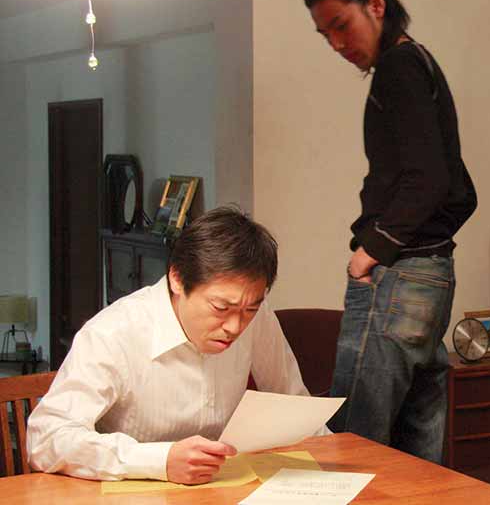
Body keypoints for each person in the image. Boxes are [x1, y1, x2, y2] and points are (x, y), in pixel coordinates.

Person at [304, 0, 477, 463]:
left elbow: (430, 179)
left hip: (399, 275)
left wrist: (371, 252)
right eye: (325, 35)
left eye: (342, 25)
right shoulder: (417, 60)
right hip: (432, 271)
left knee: (353, 448)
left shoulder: (398, 68)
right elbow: (459, 189)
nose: (337, 44)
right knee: (417, 448)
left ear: (375, 5)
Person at [27, 206, 326, 483]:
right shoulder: (113, 333)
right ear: (177, 279)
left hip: (221, 488)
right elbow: (46, 438)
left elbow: (296, 406)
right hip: (130, 493)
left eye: (249, 309)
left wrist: (337, 458)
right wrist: (159, 461)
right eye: (221, 308)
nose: (235, 327)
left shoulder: (257, 317)